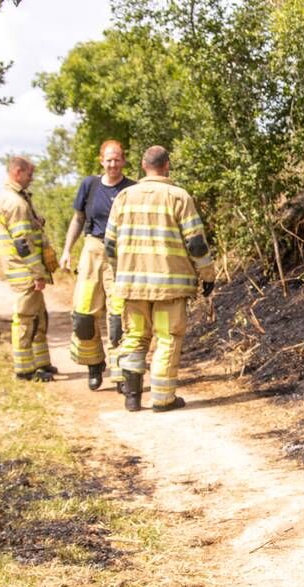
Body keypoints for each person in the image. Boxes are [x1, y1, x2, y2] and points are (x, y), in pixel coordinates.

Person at [105, 145, 216, 412]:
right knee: (167, 338)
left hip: (132, 285)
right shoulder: (179, 197)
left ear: (143, 166)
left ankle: (132, 397)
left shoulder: (123, 197)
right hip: (170, 287)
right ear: (166, 165)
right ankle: (163, 399)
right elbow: (196, 243)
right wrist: (207, 274)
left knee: (135, 337)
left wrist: (120, 274)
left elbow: (109, 244)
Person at [60, 140, 137, 391]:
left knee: (119, 319)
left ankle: (121, 374)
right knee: (83, 316)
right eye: (108, 159)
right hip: (92, 249)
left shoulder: (132, 189)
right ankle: (94, 364)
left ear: (123, 161)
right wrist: (66, 251)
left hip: (121, 253)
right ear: (101, 161)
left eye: (117, 159)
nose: (113, 164)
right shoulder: (89, 185)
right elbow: (77, 219)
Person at [0, 156, 57, 381]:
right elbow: (23, 243)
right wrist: (38, 272)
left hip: (23, 269)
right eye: (30, 174)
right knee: (26, 319)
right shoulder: (15, 203)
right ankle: (25, 370)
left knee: (39, 317)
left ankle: (41, 363)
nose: (32, 178)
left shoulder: (15, 198)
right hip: (25, 271)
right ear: (17, 172)